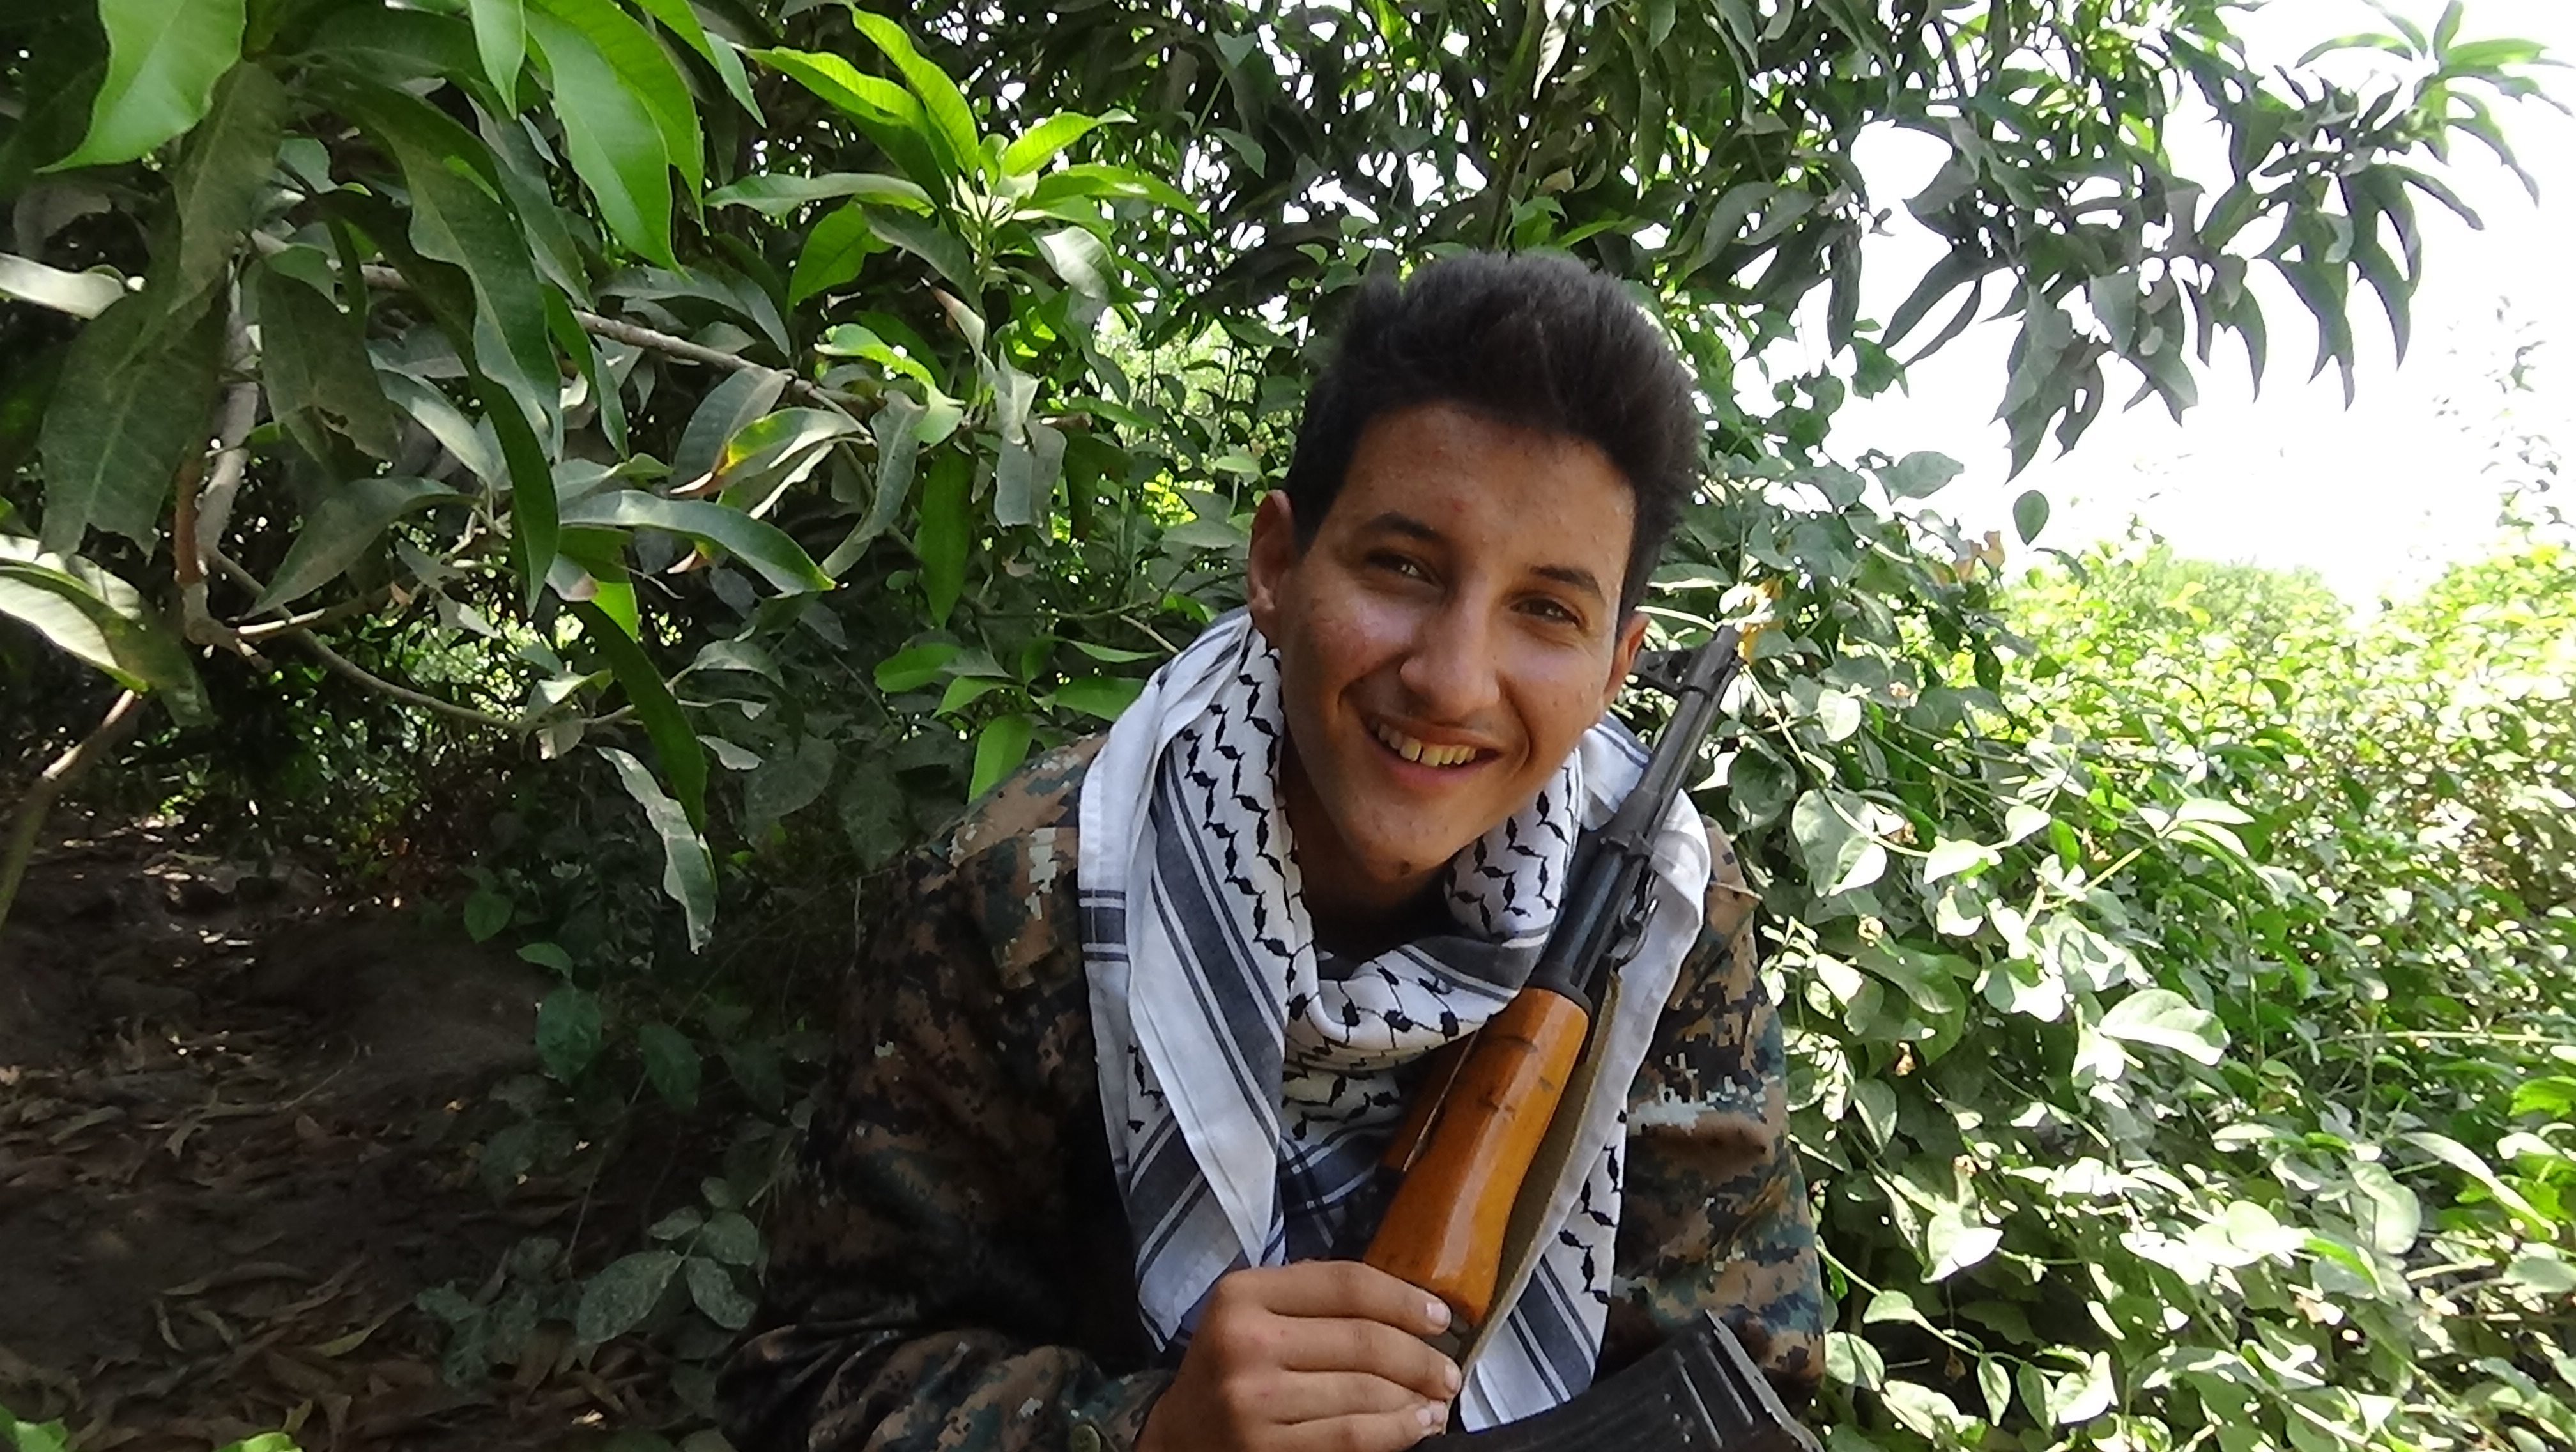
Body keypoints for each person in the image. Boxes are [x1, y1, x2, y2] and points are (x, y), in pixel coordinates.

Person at [717, 252, 1824, 1452]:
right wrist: (1143, 1434)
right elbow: (809, 1381)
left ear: (1617, 668)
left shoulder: (1660, 922)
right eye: (1403, 567)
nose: (1453, 681)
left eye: (1547, 611)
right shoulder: (1026, 897)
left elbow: (1744, 1373)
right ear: (1278, 568)